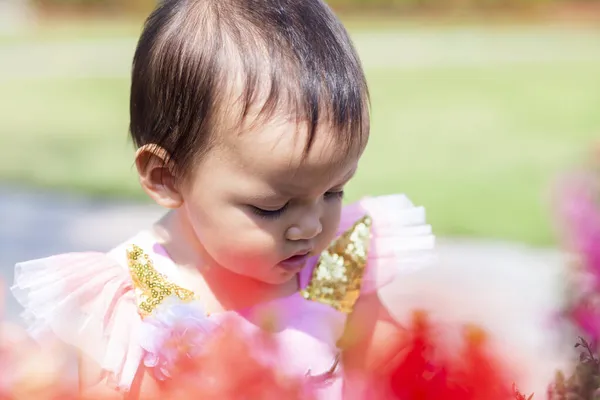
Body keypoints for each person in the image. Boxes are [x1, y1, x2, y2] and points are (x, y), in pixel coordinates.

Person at [11, 0, 437, 398]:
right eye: (272, 207)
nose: (311, 226)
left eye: (333, 191)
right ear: (167, 178)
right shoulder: (131, 303)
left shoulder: (340, 264)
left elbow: (389, 379)